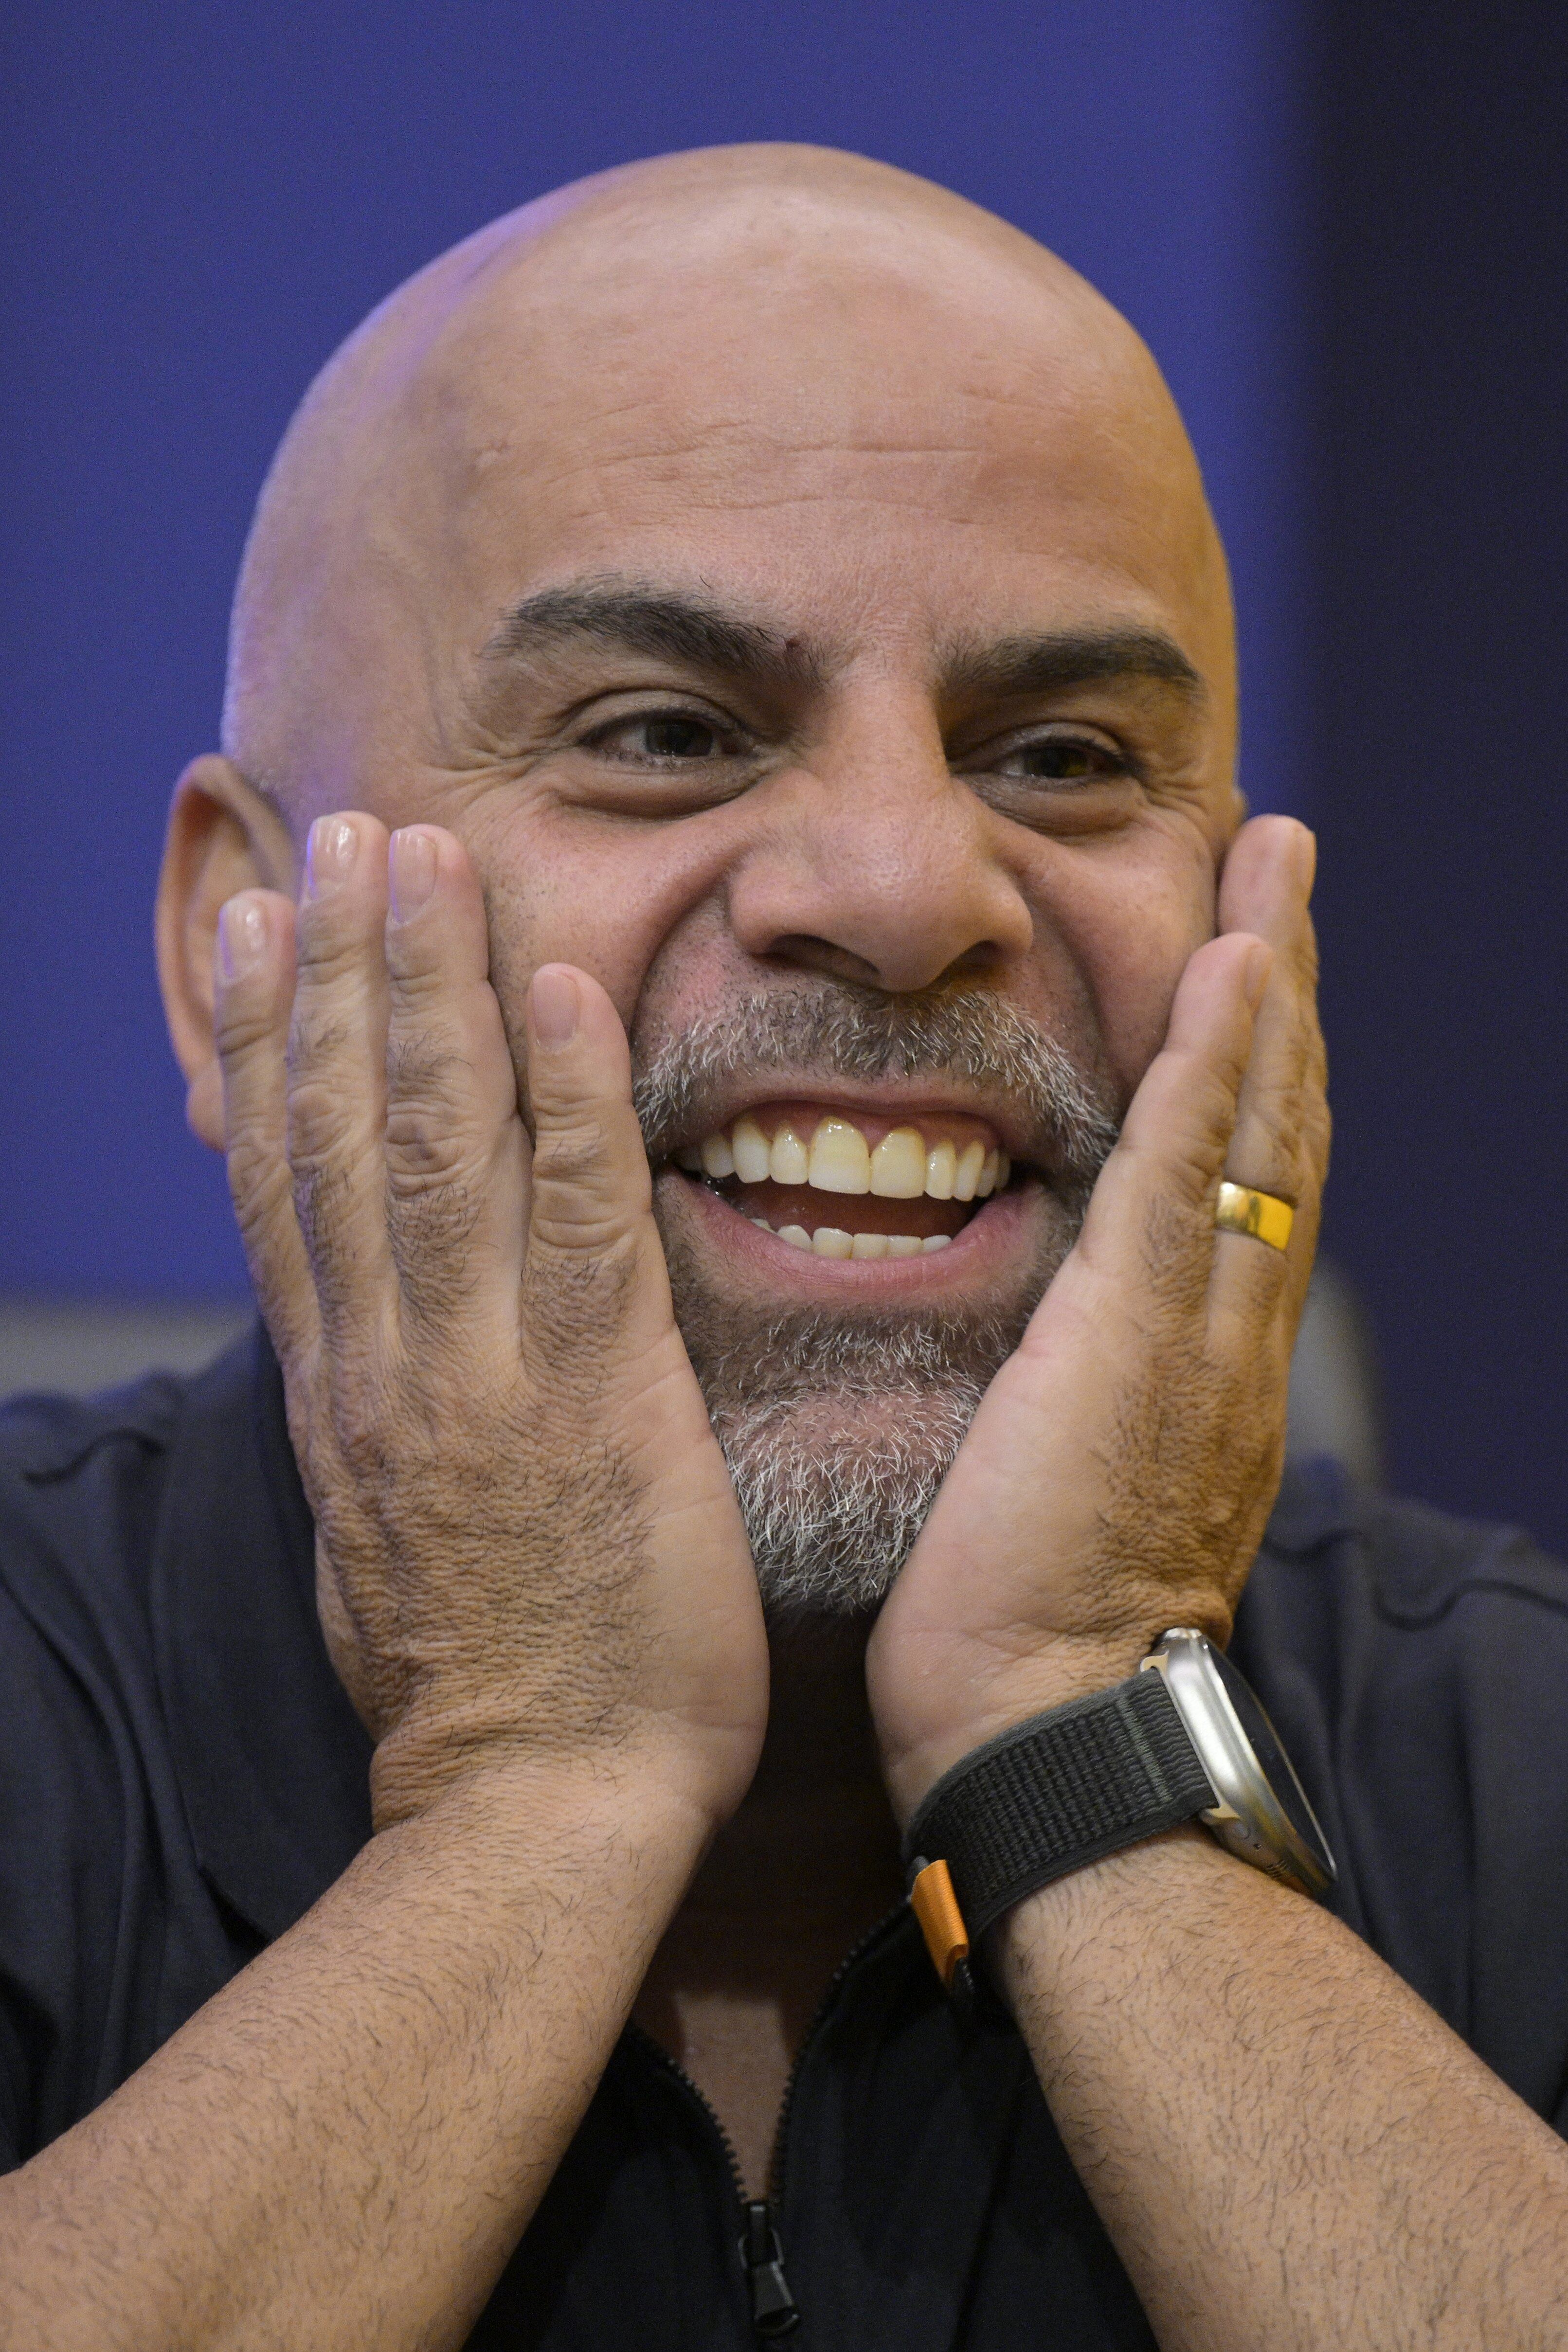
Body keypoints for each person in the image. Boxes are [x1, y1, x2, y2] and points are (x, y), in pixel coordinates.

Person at [1, 143, 1566, 2351]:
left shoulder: (1517, 1764)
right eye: (661, 734)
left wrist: (1077, 1736)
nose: (909, 883)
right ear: (229, 946)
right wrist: (535, 1780)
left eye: (1058, 752)